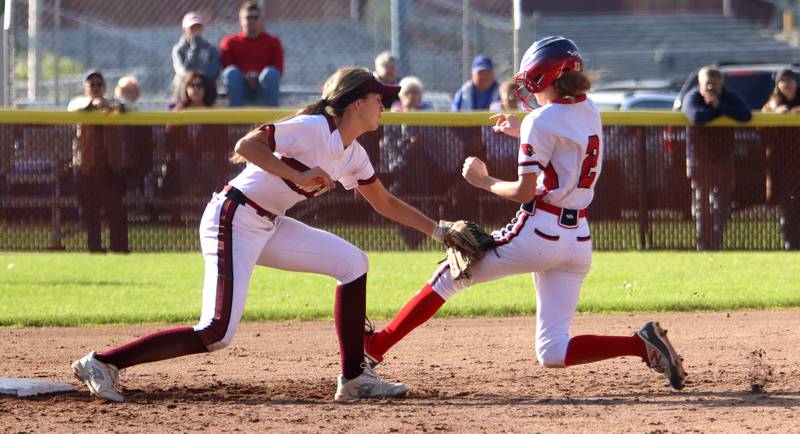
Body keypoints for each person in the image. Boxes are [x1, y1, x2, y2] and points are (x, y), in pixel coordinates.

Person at [71, 66, 470, 403]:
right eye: (378, 97)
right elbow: (247, 145)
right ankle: (104, 362)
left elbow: (384, 202)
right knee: (216, 332)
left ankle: (353, 378)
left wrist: (438, 230)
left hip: (269, 223)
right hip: (233, 216)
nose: (385, 103)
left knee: (352, 262)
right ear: (355, 102)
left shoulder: (352, 153)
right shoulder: (314, 127)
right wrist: (297, 174)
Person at [363, 37, 686, 392]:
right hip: (577, 240)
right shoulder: (589, 108)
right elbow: (566, 144)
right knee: (552, 351)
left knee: (451, 272)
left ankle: (375, 347)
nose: (528, 87)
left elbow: (523, 191)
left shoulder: (540, 121)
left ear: (544, 76)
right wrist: (521, 131)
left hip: (540, 231)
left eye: (533, 78)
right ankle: (640, 344)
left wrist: (483, 180)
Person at [681, 66, 752, 250]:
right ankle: (703, 244)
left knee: (722, 205)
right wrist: (722, 112)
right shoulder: (693, 96)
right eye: (707, 84)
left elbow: (746, 115)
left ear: (722, 84)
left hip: (723, 158)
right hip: (699, 159)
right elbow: (696, 116)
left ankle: (716, 242)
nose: (711, 88)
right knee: (701, 205)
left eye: (715, 84)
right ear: (700, 84)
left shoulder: (728, 96)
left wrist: (718, 105)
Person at [67, 70, 129, 253]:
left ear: (104, 87)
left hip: (111, 167)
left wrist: (107, 107)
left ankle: (119, 250)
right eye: (91, 84)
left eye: (99, 84)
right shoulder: (78, 104)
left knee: (116, 211)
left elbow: (124, 107)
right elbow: (75, 106)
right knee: (90, 213)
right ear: (85, 88)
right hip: (86, 167)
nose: (95, 88)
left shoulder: (113, 105)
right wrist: (93, 105)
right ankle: (94, 250)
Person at [762, 69, 800, 250]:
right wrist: (778, 114)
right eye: (783, 82)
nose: (787, 85)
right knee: (789, 206)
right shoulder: (771, 105)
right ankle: (791, 243)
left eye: (790, 82)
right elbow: (763, 132)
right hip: (784, 166)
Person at [221, 1, 283, 107]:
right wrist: (247, 77)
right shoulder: (229, 42)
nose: (252, 21)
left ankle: (273, 120)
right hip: (240, 89)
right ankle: (235, 119)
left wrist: (257, 76)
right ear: (241, 21)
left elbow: (278, 70)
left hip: (263, 88)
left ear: (261, 20)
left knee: (271, 73)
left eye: (255, 17)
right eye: (248, 17)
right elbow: (228, 69)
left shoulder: (273, 42)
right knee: (231, 73)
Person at [172, 11, 221, 104]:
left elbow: (214, 71)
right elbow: (182, 71)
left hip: (204, 83)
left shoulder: (211, 49)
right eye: (192, 27)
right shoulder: (178, 49)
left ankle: (209, 108)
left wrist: (200, 78)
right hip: (186, 85)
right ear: (184, 30)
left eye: (198, 27)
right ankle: (179, 107)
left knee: (204, 83)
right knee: (180, 80)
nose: (195, 30)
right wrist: (194, 50)